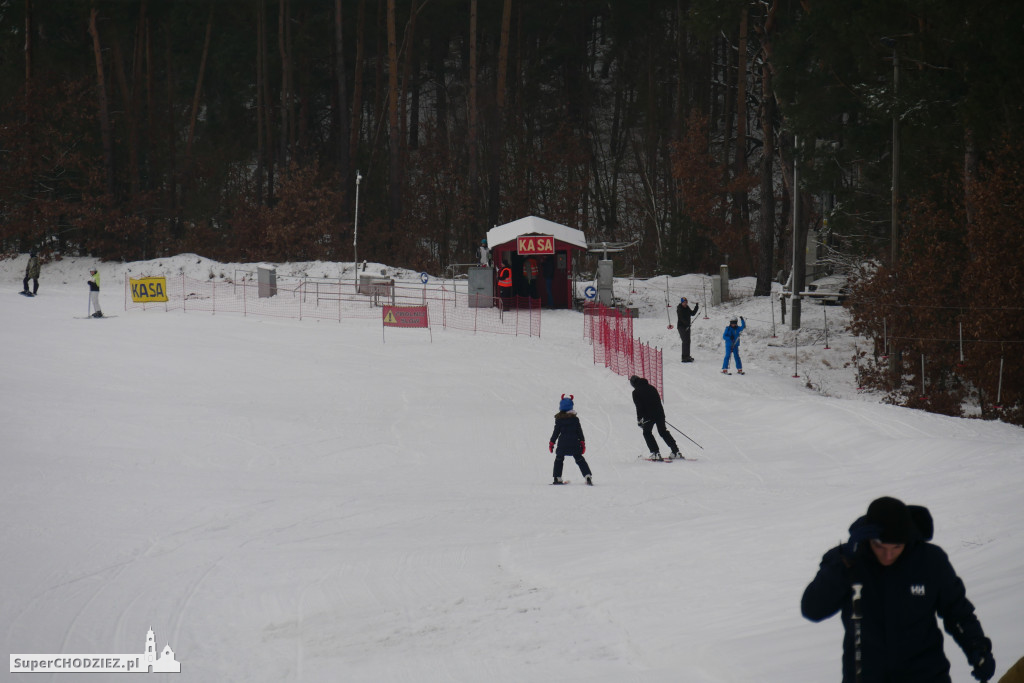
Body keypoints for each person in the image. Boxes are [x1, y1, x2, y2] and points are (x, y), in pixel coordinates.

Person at [802, 496, 996, 683]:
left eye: (896, 547)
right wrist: (843, 564)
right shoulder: (848, 562)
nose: (888, 555)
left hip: (925, 676)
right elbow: (812, 609)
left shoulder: (930, 562)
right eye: (880, 547)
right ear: (868, 538)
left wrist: (977, 648)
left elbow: (958, 613)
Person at [628, 375, 681, 460]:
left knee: (647, 432)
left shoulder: (636, 392)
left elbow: (639, 406)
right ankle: (676, 451)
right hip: (660, 414)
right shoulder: (652, 388)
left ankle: (655, 452)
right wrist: (659, 415)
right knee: (663, 432)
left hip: (648, 416)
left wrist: (639, 419)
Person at [548, 395, 592, 485]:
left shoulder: (559, 420)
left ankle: (557, 477)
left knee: (559, 459)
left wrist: (552, 442)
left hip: (563, 444)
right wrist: (582, 442)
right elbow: (580, 432)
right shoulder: (575, 420)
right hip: (574, 443)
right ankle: (587, 475)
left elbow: (556, 432)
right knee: (579, 459)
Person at [676, 297, 699, 362]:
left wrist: (696, 306)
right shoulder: (680, 309)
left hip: (687, 327)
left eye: (686, 302)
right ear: (682, 302)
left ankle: (687, 356)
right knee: (685, 341)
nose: (685, 303)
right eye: (684, 302)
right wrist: (687, 324)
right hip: (681, 327)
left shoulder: (687, 308)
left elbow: (692, 313)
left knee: (688, 341)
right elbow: (681, 318)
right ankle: (684, 357)